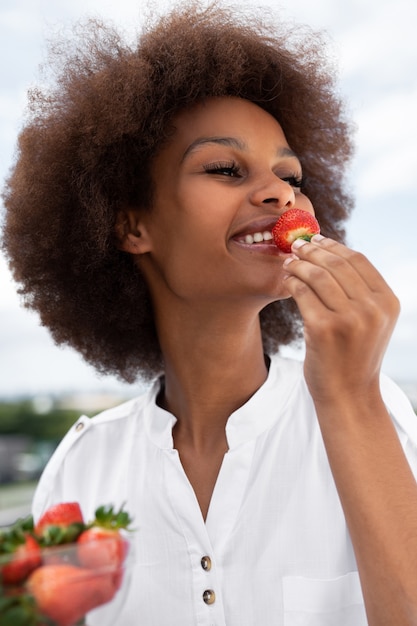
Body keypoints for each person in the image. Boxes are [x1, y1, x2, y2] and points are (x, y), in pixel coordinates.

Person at [2, 2, 417, 624]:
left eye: (291, 175)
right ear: (131, 225)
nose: (282, 194)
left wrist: (351, 398)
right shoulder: (82, 468)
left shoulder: (374, 412)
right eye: (224, 168)